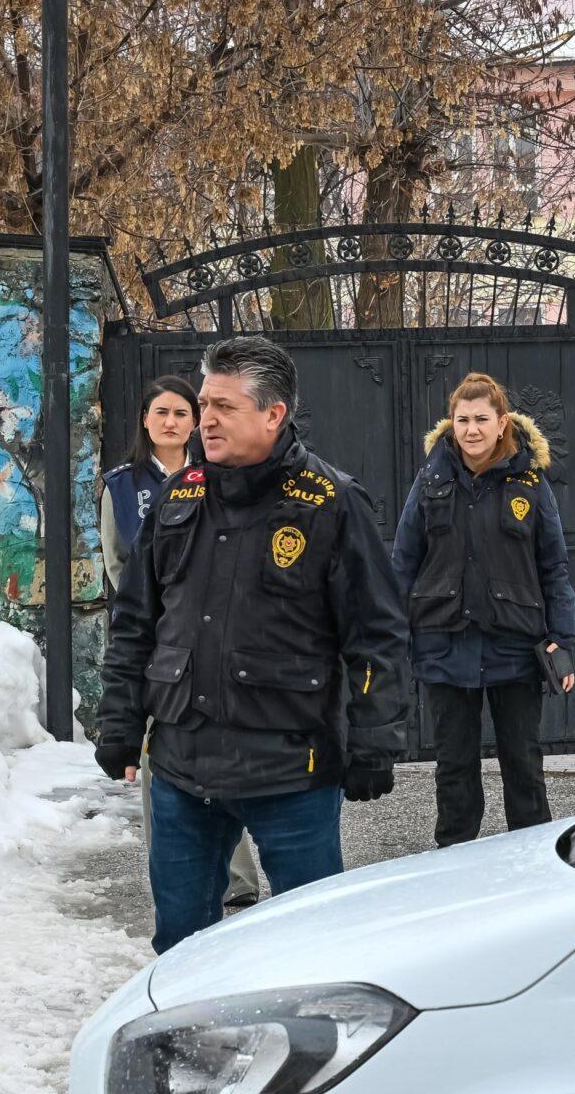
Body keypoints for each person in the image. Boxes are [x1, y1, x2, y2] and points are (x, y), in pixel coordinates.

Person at [96, 335, 411, 954]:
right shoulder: (177, 497)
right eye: (203, 403)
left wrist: (376, 740)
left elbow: (377, 634)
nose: (204, 419)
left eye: (223, 407)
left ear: (273, 414)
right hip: (183, 766)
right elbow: (136, 620)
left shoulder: (332, 504)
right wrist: (119, 721)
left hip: (289, 769)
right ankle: (188, 1050)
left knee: (309, 946)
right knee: (182, 945)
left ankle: (310, 1051)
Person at [389, 373, 575, 848]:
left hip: (515, 644)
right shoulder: (429, 481)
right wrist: (394, 633)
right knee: (454, 765)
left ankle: (535, 860)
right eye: (462, 419)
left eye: (481, 419)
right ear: (451, 423)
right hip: (442, 642)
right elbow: (404, 560)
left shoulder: (530, 482)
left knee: (523, 762)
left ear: (501, 423)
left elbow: (553, 564)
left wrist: (563, 638)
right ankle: (455, 858)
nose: (471, 429)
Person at [98, 375, 265, 910]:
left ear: (195, 422)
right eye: (161, 413)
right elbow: (119, 567)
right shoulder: (121, 486)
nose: (171, 422)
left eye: (181, 413)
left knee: (220, 752)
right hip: (154, 643)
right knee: (160, 766)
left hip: (212, 640)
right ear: (145, 420)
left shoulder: (216, 476)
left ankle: (237, 879)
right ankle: (173, 878)